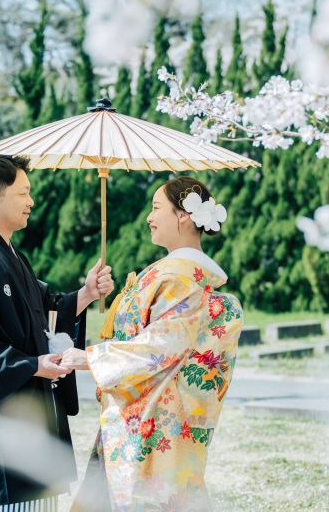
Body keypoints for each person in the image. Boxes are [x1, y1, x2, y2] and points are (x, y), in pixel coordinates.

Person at [0, 155, 115, 511]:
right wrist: (34, 365)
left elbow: (45, 311)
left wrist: (87, 294)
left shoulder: (12, 256)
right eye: (23, 193)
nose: (31, 201)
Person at [62, 176, 243, 512]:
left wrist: (91, 358)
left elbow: (160, 346)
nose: (149, 217)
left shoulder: (179, 279)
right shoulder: (176, 275)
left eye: (156, 207)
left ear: (183, 216)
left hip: (154, 417)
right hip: (151, 414)